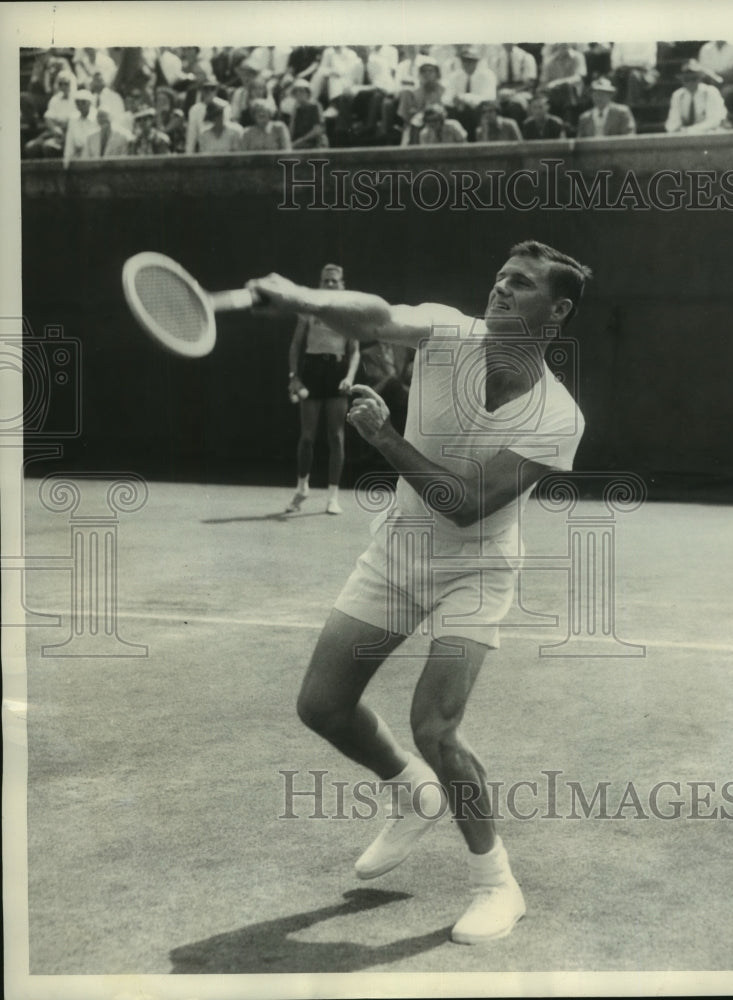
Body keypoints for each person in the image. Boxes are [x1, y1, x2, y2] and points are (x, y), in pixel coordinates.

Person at [245, 239, 590, 944]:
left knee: (434, 725)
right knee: (321, 706)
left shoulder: (559, 416)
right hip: (399, 548)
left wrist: (385, 440)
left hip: (478, 567)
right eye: (498, 277)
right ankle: (410, 789)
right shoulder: (446, 329)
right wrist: (306, 299)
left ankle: (497, 884)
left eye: (519, 285)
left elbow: (467, 505)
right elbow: (375, 317)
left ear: (555, 310)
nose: (499, 290)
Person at [285, 264, 360, 516]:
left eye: (333, 281)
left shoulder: (349, 313)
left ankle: (332, 497)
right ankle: (302, 487)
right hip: (312, 370)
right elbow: (296, 345)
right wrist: (294, 376)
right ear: (320, 283)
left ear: (342, 285)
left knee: (336, 437)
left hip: (337, 371)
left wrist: (349, 376)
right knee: (307, 437)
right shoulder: (309, 310)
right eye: (325, 281)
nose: (329, 285)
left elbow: (355, 351)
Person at [664, 59, 726, 134]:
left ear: (700, 79)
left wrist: (690, 130)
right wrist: (675, 129)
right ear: (682, 80)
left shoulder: (711, 92)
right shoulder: (678, 95)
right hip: (687, 136)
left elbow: (714, 121)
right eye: (686, 79)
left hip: (711, 135)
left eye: (694, 79)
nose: (690, 82)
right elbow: (673, 120)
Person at [62, 89, 97, 166]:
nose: (80, 105)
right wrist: (66, 161)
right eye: (77, 102)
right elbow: (69, 142)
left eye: (83, 102)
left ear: (90, 103)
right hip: (77, 158)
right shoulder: (73, 119)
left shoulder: (97, 118)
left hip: (95, 158)